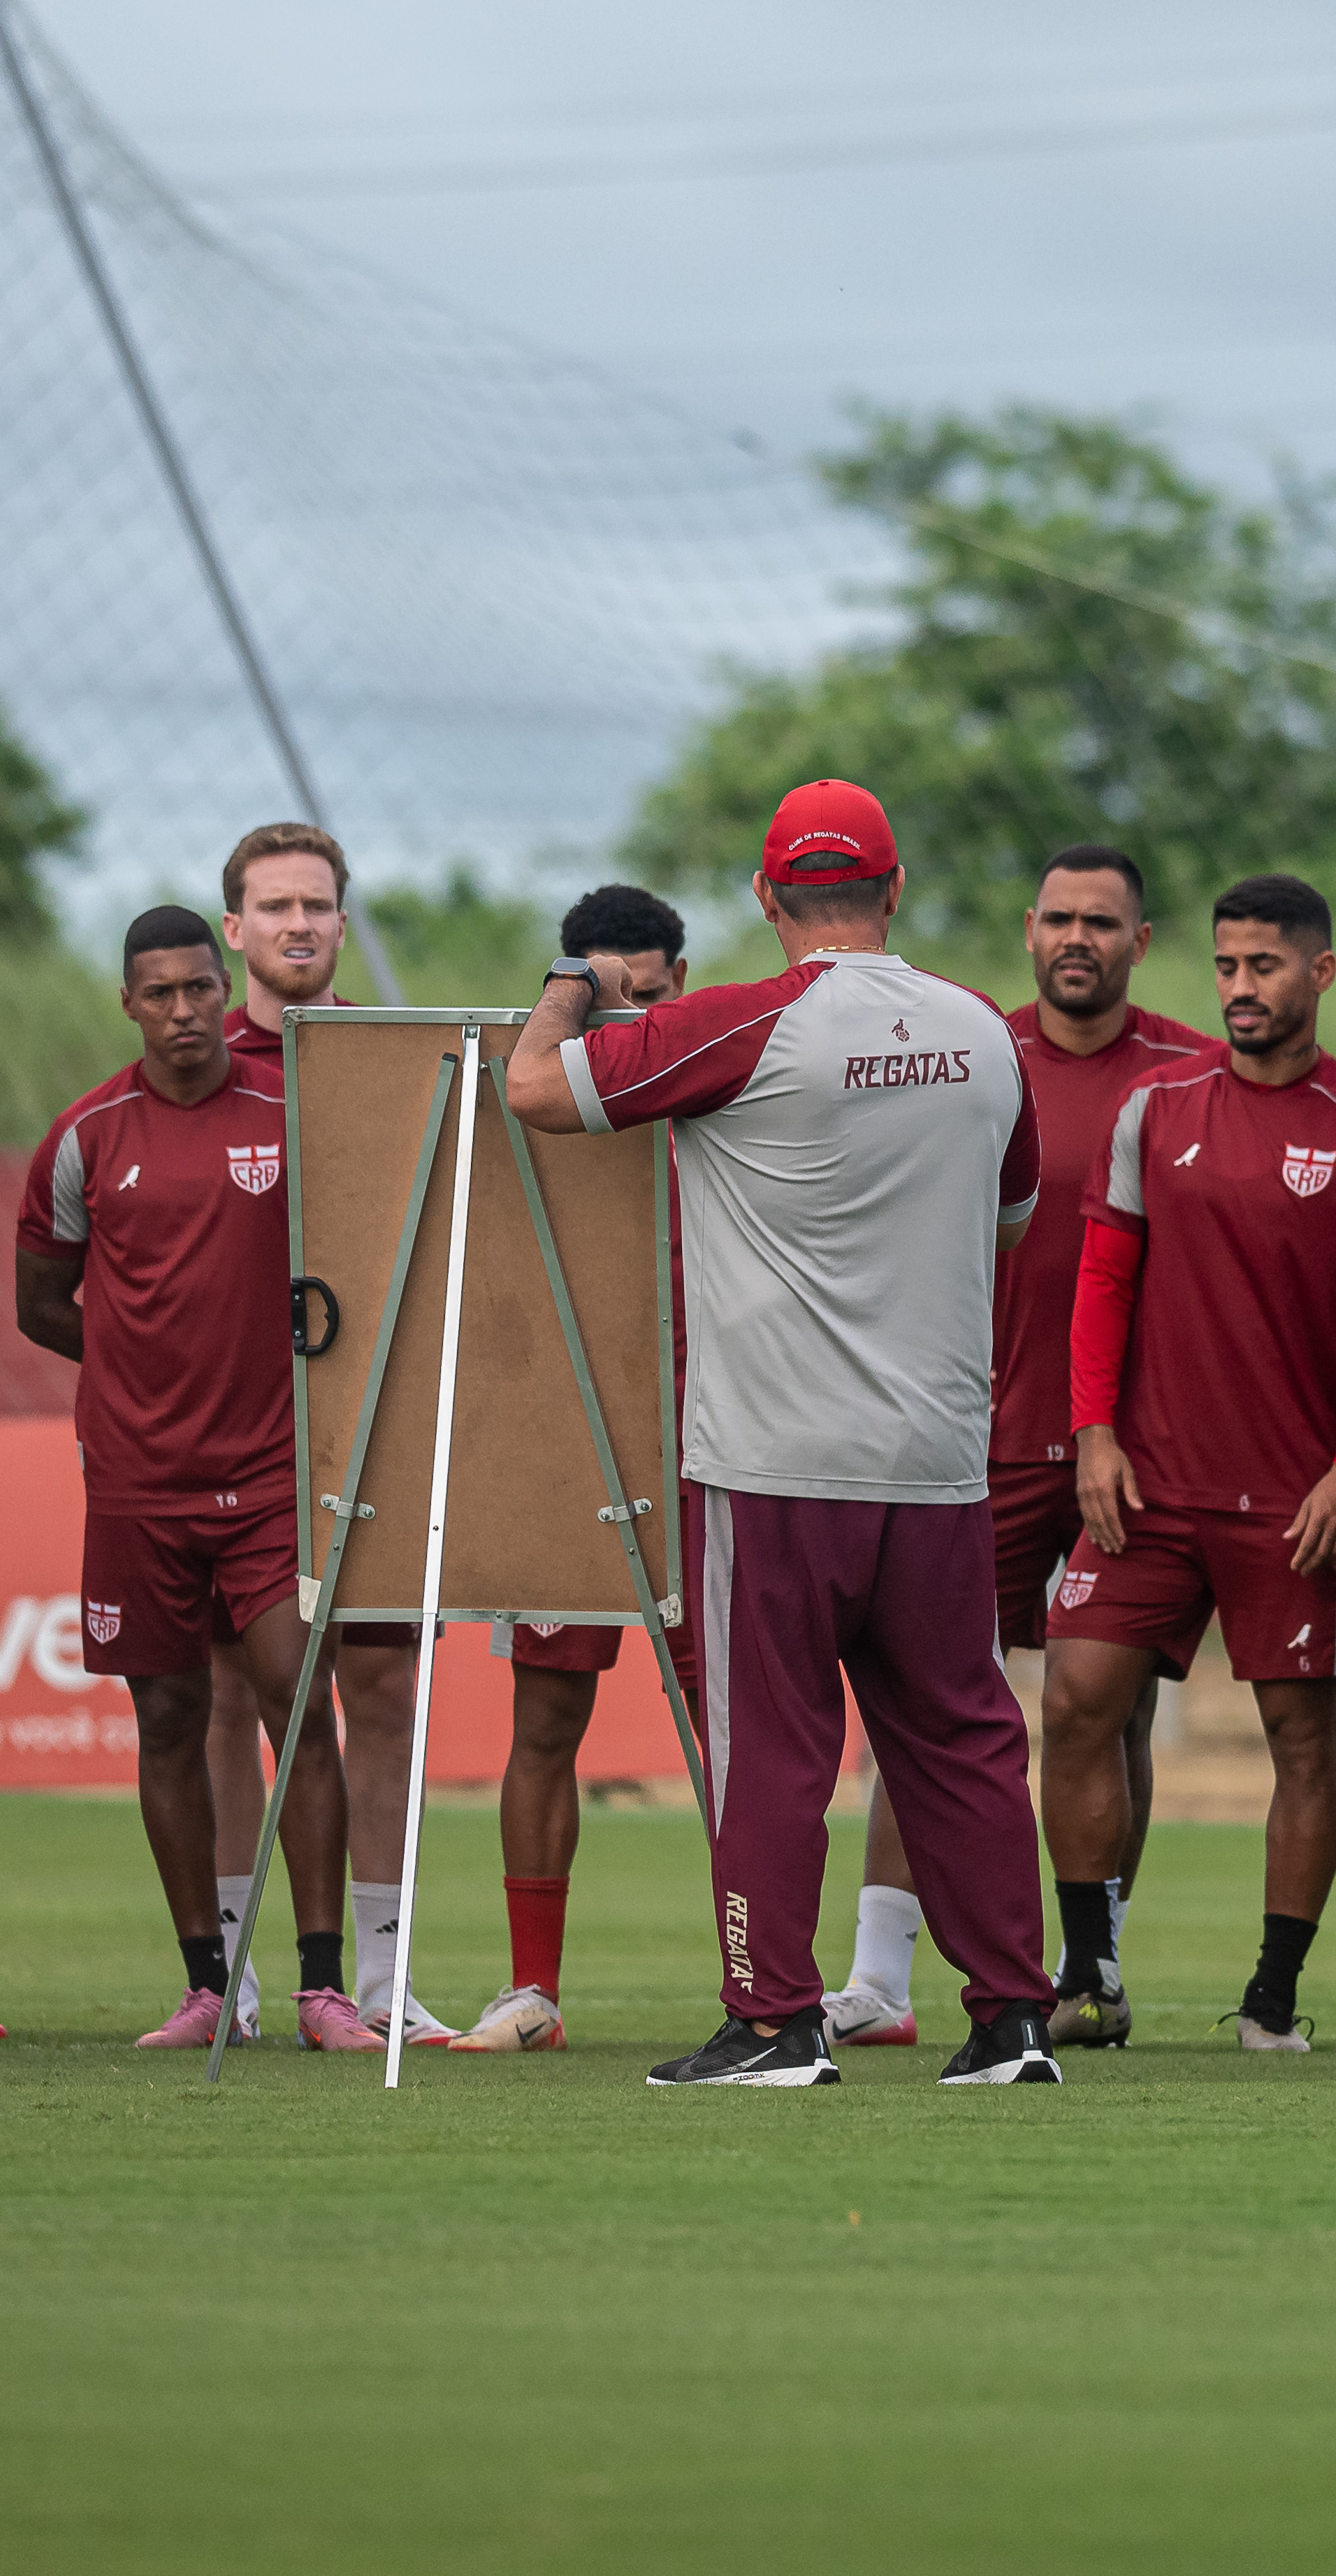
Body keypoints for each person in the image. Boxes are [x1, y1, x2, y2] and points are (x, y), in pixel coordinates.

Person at [505, 778, 1060, 2087]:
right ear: (896, 886)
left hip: (772, 1462)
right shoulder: (985, 1032)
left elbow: (535, 1090)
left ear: (766, 899)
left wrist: (571, 981)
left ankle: (774, 2020)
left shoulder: (740, 1021)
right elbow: (1017, 1215)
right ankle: (1012, 2021)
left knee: (773, 1749)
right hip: (934, 1460)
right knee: (964, 1737)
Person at [823, 848, 1214, 2053]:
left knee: (1107, 1709)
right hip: (968, 1440)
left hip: (1122, 1452)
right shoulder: (972, 1053)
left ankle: (1089, 1959)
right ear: (1028, 930)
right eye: (1058, 918)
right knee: (918, 1703)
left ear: (1141, 939)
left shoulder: (1192, 1074)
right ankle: (881, 1977)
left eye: (1103, 920)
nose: (1077, 938)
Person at [1049, 874, 1336, 2052]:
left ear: (1319, 972)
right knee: (1074, 1702)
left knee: (1301, 1744)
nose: (1241, 987)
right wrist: (1094, 1432)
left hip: (1294, 1505)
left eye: (1263, 965)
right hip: (1146, 1487)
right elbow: (1104, 1278)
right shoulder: (1157, 1110)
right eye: (1224, 966)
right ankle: (1090, 1964)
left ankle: (1271, 1998)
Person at [15, 908, 363, 2050]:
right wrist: (140, 1369)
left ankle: (322, 1988)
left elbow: (346, 1271)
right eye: (157, 993)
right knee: (165, 1716)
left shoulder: (291, 1115)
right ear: (128, 1003)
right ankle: (209, 1985)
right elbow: (40, 1301)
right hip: (135, 1485)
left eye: (198, 989)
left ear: (228, 991)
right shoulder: (84, 1139)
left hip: (266, 1480)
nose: (181, 1011)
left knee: (296, 1705)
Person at [210, 820, 446, 2045]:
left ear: (344, 924)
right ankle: (230, 1977)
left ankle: (383, 1971)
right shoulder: (194, 1064)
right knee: (225, 1692)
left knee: (386, 1682)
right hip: (231, 1441)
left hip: (371, 1428)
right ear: (235, 926)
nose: (298, 923)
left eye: (318, 904)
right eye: (275, 905)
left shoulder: (389, 1059)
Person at [455, 882, 699, 2055]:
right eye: (603, 992)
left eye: (645, 992)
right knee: (544, 1721)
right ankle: (532, 1990)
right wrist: (574, 992)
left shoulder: (715, 1088)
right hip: (570, 1449)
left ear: (680, 986)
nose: (624, 1017)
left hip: (707, 1452)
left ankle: (769, 1984)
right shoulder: (535, 1094)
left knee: (737, 1729)